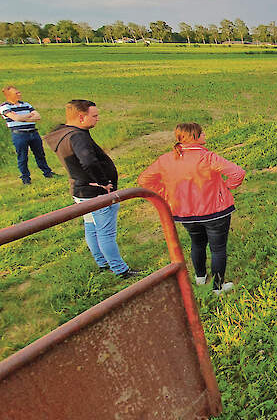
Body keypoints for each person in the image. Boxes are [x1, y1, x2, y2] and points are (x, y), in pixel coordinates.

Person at [138, 123, 245, 295]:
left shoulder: (167, 159)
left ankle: (200, 277)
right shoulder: (208, 157)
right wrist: (226, 188)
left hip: (185, 213)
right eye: (202, 133)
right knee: (218, 249)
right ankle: (218, 286)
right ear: (195, 136)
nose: (205, 135)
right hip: (215, 212)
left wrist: (165, 194)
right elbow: (237, 173)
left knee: (197, 243)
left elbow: (144, 180)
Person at [44, 100, 139, 278]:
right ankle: (120, 269)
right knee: (105, 232)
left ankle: (102, 262)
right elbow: (88, 161)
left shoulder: (62, 133)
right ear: (81, 117)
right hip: (96, 193)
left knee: (91, 227)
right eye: (94, 116)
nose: (98, 119)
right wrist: (103, 181)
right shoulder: (78, 136)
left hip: (80, 190)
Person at [2, 86, 55, 184]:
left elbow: (38, 116)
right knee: (22, 157)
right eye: (16, 93)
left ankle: (48, 173)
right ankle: (25, 178)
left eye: (19, 92)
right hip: (19, 135)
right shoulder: (5, 107)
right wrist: (29, 116)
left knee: (40, 154)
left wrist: (22, 117)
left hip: (33, 133)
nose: (19, 94)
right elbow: (16, 118)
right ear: (9, 95)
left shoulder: (26, 104)